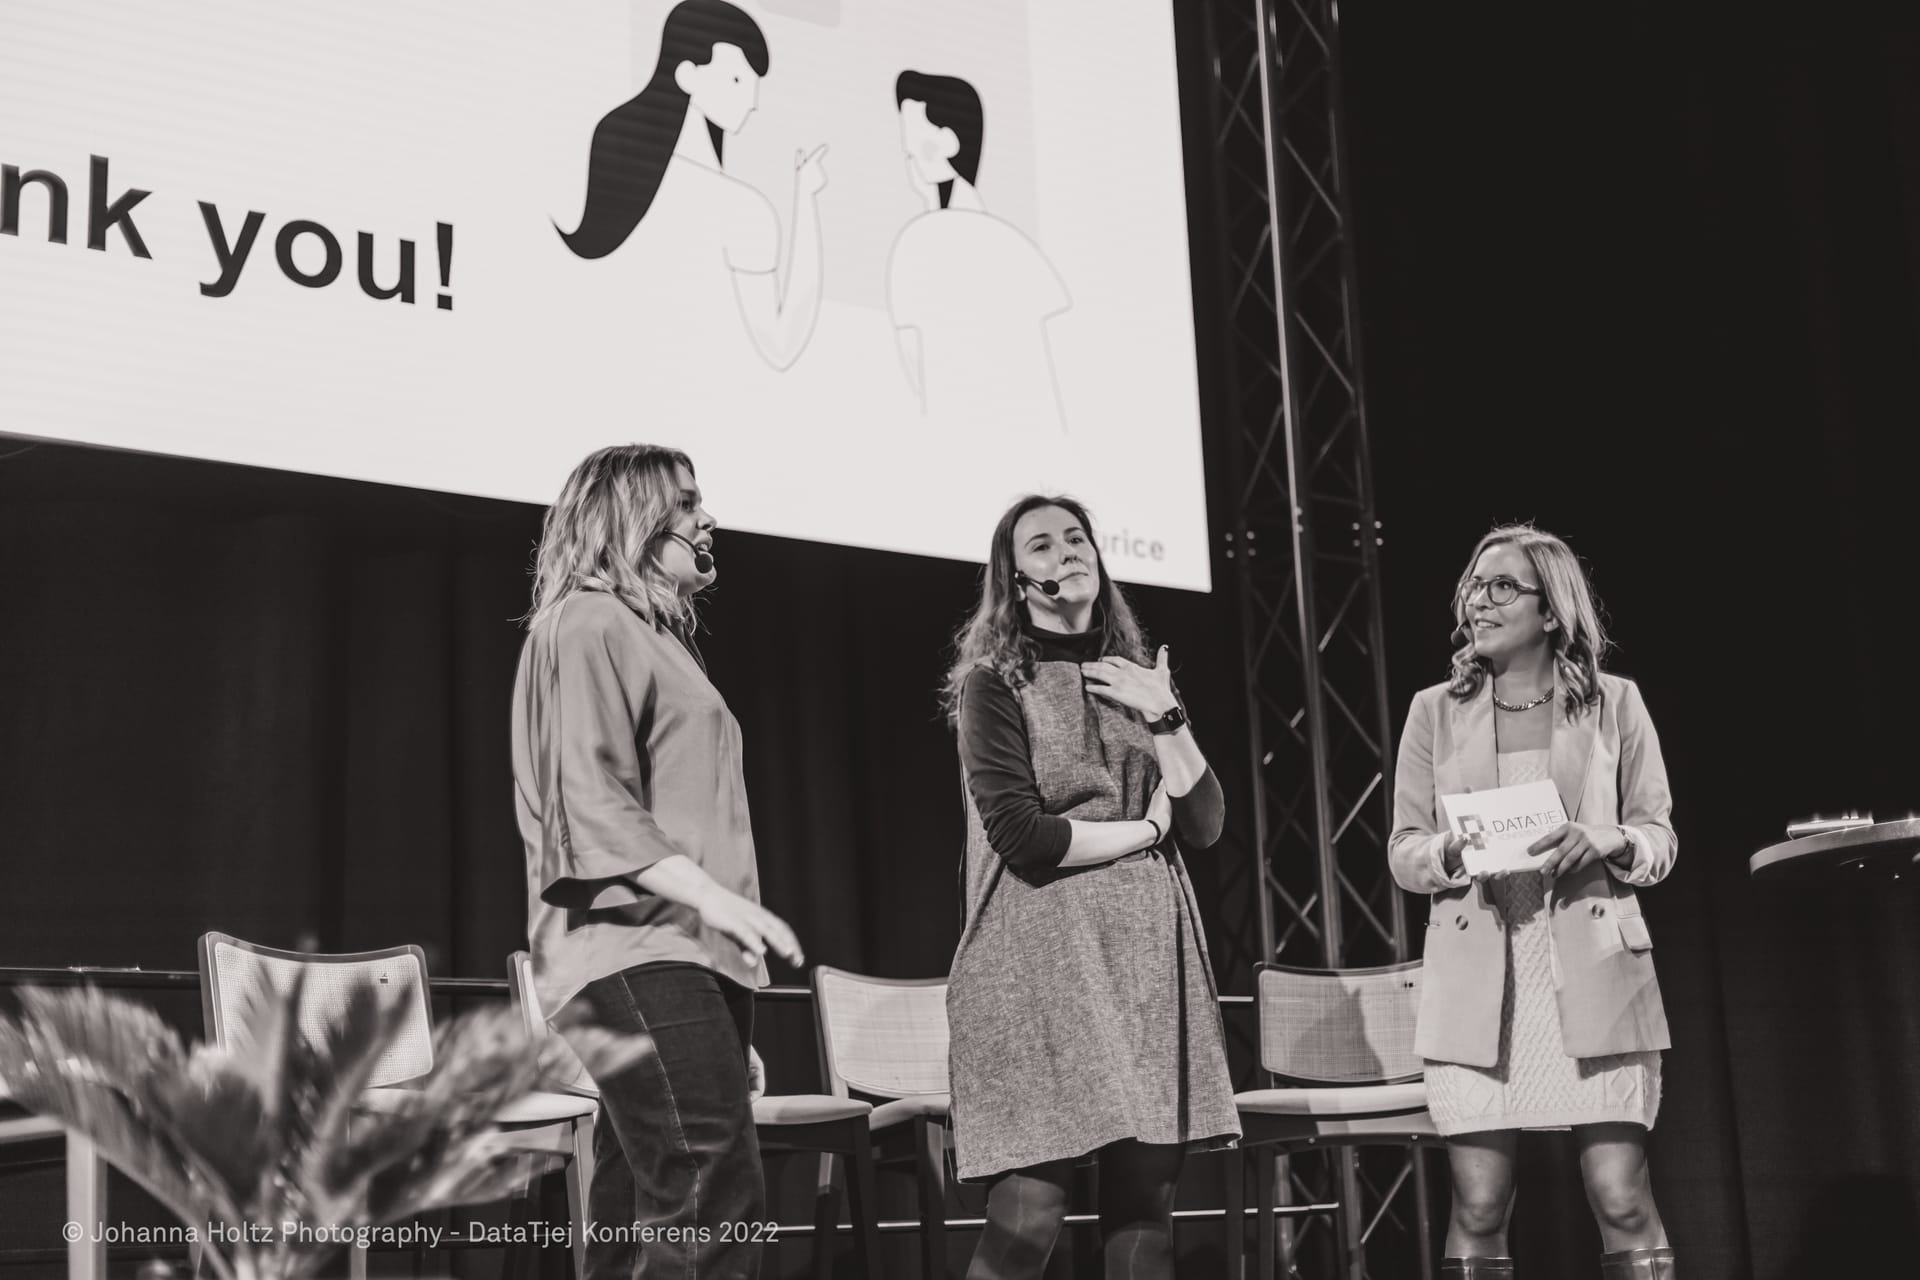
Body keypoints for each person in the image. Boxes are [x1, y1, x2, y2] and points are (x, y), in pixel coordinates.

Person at [511, 443, 804, 1280]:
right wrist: (714, 903)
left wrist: (716, 993)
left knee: (633, 1209)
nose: (706, 519)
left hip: (679, 959)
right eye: (684, 503)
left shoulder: (657, 637)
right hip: (629, 947)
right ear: (627, 518)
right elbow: (590, 801)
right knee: (712, 1193)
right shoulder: (586, 621)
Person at [941, 494, 1240, 1280]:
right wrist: (1145, 833)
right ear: (1015, 575)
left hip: (1146, 960)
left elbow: (1204, 823)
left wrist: (1166, 713)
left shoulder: (1140, 684)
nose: (1067, 551)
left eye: (1078, 538)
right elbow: (1024, 837)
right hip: (1036, 961)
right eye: (1042, 544)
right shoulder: (993, 684)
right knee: (1028, 1213)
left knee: (1145, 1217)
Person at [1387, 524, 1678, 1280]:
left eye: (1501, 587)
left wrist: (1610, 840)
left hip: (1592, 970)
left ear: (1551, 611)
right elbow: (1403, 851)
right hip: (1481, 978)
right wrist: (1449, 852)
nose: (1478, 601)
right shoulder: (1434, 711)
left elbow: (1659, 838)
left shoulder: (1616, 704)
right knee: (1479, 1206)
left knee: (1620, 1196)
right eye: (1473, 587)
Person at [558, 0, 828, 371]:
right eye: (737, 80)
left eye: (754, 85)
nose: (752, 101)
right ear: (687, 75)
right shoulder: (741, 209)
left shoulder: (620, 169)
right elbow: (781, 346)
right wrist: (806, 198)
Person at [888, 71, 1069, 431]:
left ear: (949, 142)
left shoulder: (921, 242)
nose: (907, 145)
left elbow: (913, 361)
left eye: (913, 130)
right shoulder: (1017, 249)